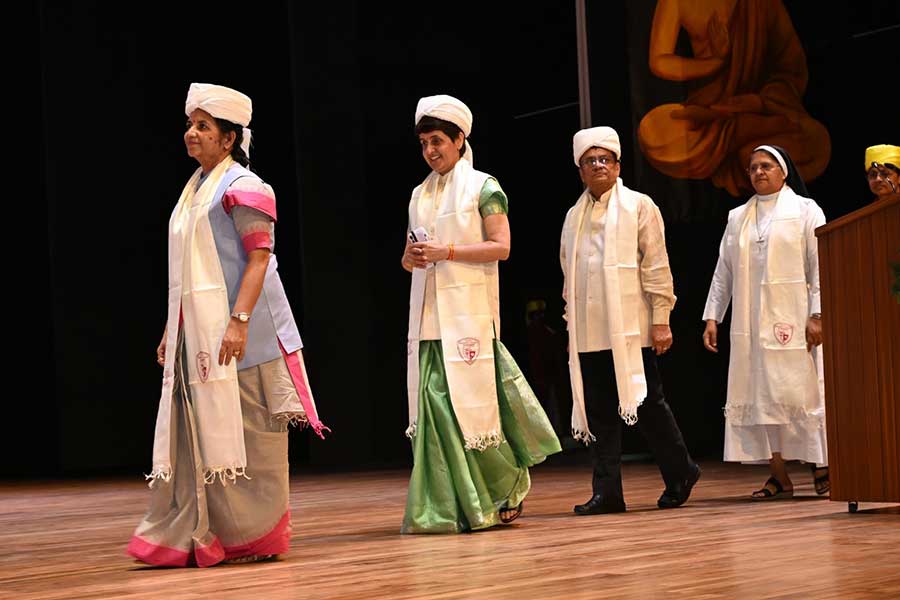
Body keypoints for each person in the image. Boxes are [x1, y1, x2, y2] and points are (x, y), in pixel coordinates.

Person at [127, 83, 328, 567]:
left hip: (249, 333)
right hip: (202, 334)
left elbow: (259, 259)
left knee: (254, 437)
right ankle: (206, 529)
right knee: (204, 431)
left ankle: (255, 536)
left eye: (203, 126)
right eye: (190, 124)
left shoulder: (245, 187)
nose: (191, 133)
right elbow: (186, 275)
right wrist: (171, 330)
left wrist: (238, 322)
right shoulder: (195, 190)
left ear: (230, 138)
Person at [401, 94, 561, 533]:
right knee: (435, 407)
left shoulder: (484, 187)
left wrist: (447, 251)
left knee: (473, 405)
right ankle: (450, 503)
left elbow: (501, 247)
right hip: (429, 317)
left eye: (437, 141)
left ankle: (506, 485)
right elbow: (410, 255)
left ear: (459, 139)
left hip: (469, 315)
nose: (430, 151)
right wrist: (411, 258)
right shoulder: (419, 194)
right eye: (423, 143)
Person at [560, 126, 700, 515]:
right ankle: (607, 493)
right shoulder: (573, 216)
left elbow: (656, 264)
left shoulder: (640, 205)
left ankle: (681, 472)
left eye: (605, 159)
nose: (598, 165)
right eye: (590, 161)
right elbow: (568, 274)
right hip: (589, 330)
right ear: (580, 171)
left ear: (618, 165)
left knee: (648, 404)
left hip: (631, 327)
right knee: (599, 412)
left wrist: (661, 319)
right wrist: (571, 323)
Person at [702, 144, 828, 499]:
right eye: (753, 167)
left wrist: (817, 314)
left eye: (766, 166)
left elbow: (821, 266)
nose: (758, 172)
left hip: (795, 318)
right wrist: (713, 316)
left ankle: (822, 465)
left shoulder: (806, 210)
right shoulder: (738, 217)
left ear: (783, 172)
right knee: (759, 395)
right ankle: (779, 475)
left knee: (803, 390)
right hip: (751, 321)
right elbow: (723, 271)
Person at [638, 0, 831, 197]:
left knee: (815, 141)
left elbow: (790, 66)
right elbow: (659, 61)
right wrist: (714, 63)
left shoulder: (762, 4)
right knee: (651, 134)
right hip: (709, 111)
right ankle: (740, 134)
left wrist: (760, 103)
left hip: (761, 106)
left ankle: (740, 133)